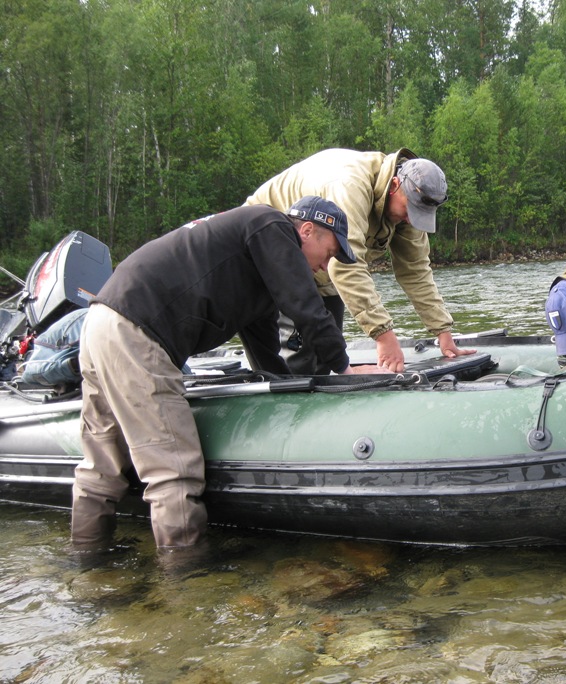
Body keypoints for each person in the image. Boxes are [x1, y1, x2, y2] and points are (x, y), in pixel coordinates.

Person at [71, 196, 379, 550]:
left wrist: (287, 389)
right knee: (174, 474)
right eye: (329, 252)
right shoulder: (273, 226)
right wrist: (345, 367)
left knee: (101, 468)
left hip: (102, 320)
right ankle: (184, 584)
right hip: (138, 333)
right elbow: (306, 306)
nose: (326, 267)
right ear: (307, 230)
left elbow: (263, 345)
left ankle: (87, 562)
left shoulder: (254, 252)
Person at [245, 147, 475, 374]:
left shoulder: (407, 209)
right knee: (299, 357)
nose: (411, 219)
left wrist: (443, 332)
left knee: (327, 350)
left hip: (322, 262)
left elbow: (415, 271)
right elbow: (346, 266)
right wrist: (383, 334)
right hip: (269, 242)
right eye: (410, 210)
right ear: (395, 186)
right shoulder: (350, 186)